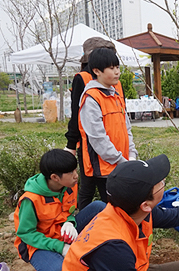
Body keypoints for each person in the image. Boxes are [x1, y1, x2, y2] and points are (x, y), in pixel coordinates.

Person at [13, 149, 106, 271]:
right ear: (55, 177)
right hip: (39, 243)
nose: (76, 176)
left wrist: (69, 222)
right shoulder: (30, 200)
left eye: (76, 170)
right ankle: (45, 268)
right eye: (71, 173)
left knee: (99, 207)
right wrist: (61, 247)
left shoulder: (69, 186)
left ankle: (90, 248)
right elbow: (26, 233)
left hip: (62, 233)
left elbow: (68, 211)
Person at [64, 37, 124, 210]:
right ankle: (84, 220)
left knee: (98, 186)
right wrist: (71, 144)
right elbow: (76, 115)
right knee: (91, 185)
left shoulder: (114, 82)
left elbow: (122, 113)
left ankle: (90, 219)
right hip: (91, 145)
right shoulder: (83, 79)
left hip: (115, 143)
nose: (115, 70)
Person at [78, 47, 138, 202]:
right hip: (106, 168)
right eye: (111, 68)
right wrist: (119, 160)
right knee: (112, 209)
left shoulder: (115, 95)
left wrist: (131, 154)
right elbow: (98, 138)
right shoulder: (91, 98)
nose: (117, 72)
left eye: (117, 67)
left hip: (122, 163)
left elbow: (127, 128)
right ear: (97, 71)